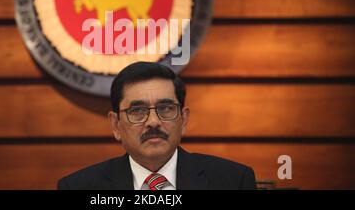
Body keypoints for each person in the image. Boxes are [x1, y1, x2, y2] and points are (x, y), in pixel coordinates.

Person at [58, 61, 256, 189]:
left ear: (183, 119)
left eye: (166, 108)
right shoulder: (77, 187)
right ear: (116, 125)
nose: (153, 122)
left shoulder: (233, 181)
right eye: (137, 111)